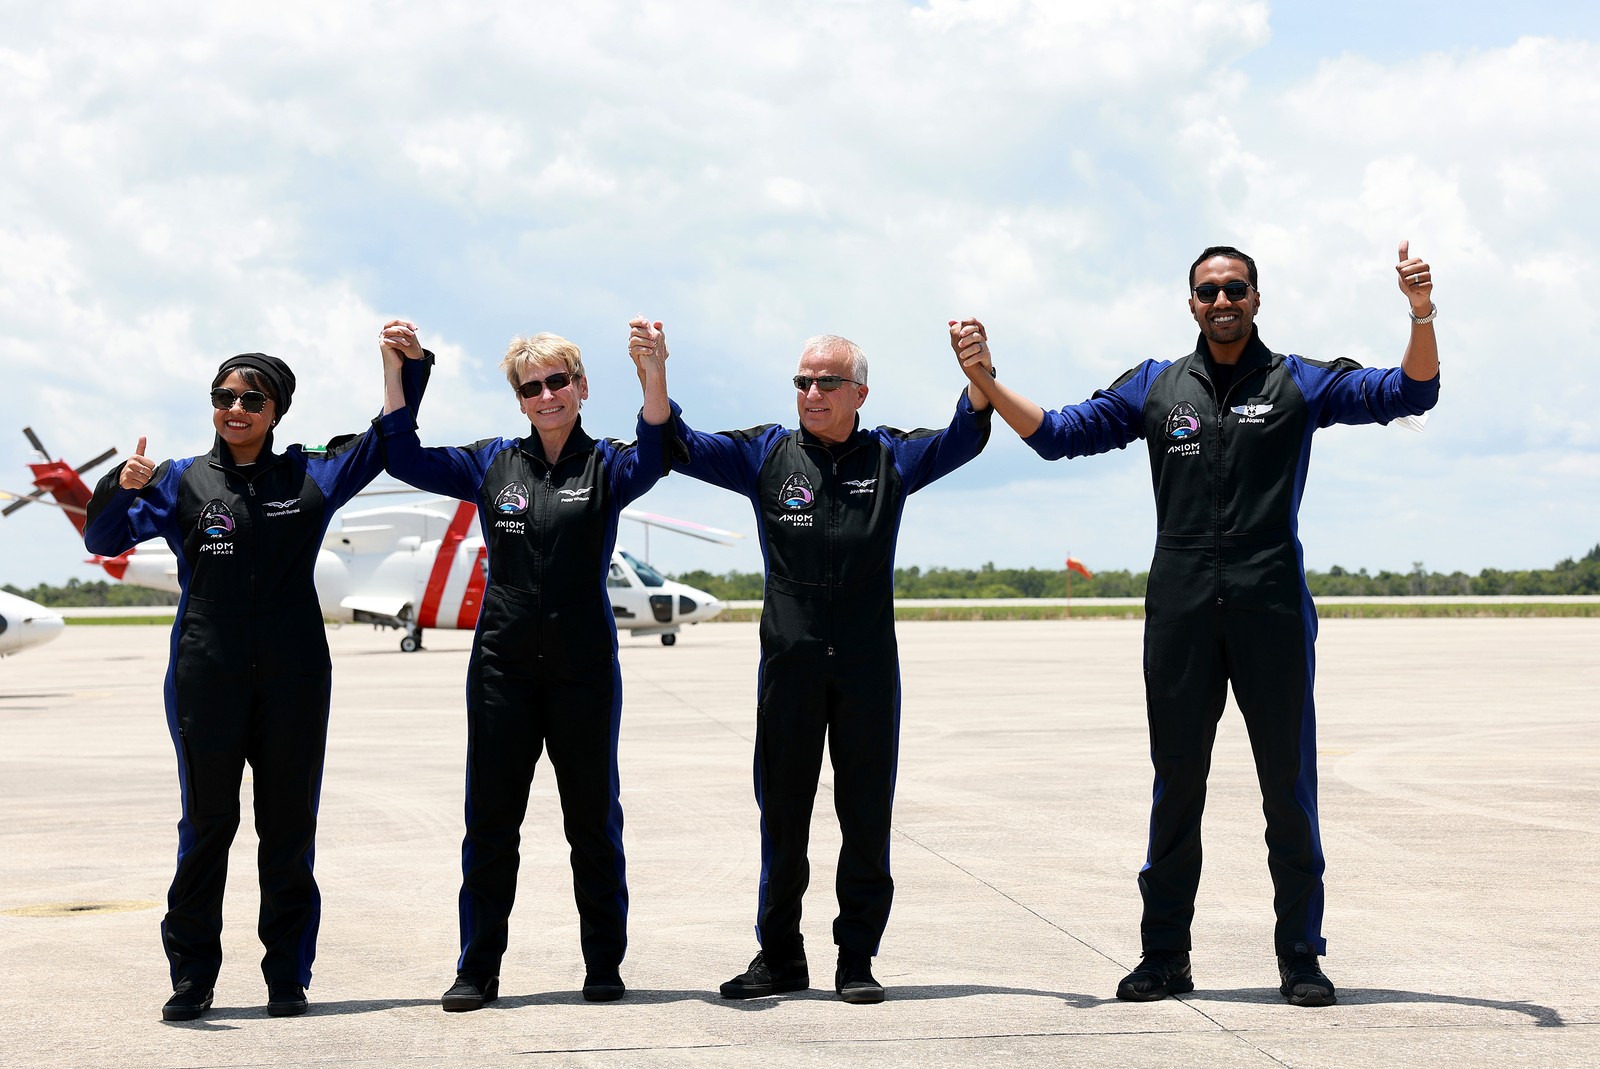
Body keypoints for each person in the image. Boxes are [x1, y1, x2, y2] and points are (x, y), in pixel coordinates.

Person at [952, 242, 1441, 1007]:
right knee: (1177, 784)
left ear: (1256, 298)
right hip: (1180, 605)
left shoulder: (1299, 382)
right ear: (1190, 304)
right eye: (1208, 291)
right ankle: (1164, 954)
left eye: (1235, 288)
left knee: (1289, 786)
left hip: (1271, 602)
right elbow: (1056, 435)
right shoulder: (1156, 387)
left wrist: (1420, 313)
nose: (1222, 301)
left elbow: (1412, 392)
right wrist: (983, 378)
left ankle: (1301, 955)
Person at [647, 321, 992, 1003]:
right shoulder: (766, 455)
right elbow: (672, 446)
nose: (811, 391)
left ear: (859, 391)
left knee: (865, 814)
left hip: (866, 669)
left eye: (826, 381)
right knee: (783, 815)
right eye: (802, 380)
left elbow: (965, 436)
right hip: (791, 668)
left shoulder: (891, 456)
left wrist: (978, 373)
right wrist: (655, 374)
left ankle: (856, 958)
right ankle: (778, 957)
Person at [83, 349, 391, 1022]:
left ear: (276, 409)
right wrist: (120, 483)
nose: (236, 409)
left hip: (295, 676)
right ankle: (192, 976)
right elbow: (103, 538)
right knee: (208, 824)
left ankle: (288, 974)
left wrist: (403, 368)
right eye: (224, 396)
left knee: (288, 827)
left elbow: (386, 439)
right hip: (205, 673)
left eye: (253, 400)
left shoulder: (312, 473)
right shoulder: (180, 481)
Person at [374, 318, 672, 1010]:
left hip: (584, 672)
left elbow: (657, 452)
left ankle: (603, 963)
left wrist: (653, 373)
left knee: (592, 822)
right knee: (490, 824)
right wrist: (396, 372)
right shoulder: (491, 464)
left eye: (558, 381)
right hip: (503, 670)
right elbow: (402, 455)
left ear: (581, 387)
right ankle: (477, 969)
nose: (546, 395)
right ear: (520, 399)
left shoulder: (609, 466)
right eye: (532, 386)